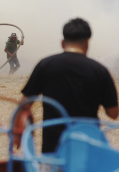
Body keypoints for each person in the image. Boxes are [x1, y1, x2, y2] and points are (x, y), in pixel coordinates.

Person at [21, 18, 118, 154]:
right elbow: (113, 113)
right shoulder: (100, 70)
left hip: (52, 152)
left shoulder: (45, 65)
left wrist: (19, 132)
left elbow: (24, 105)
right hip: (86, 152)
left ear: (62, 42)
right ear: (87, 43)